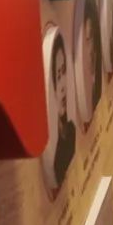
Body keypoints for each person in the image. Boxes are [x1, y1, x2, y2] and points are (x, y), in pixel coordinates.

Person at [51, 33, 76, 188]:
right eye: (58, 76)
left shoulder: (72, 131)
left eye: (64, 71)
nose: (62, 87)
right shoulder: (56, 161)